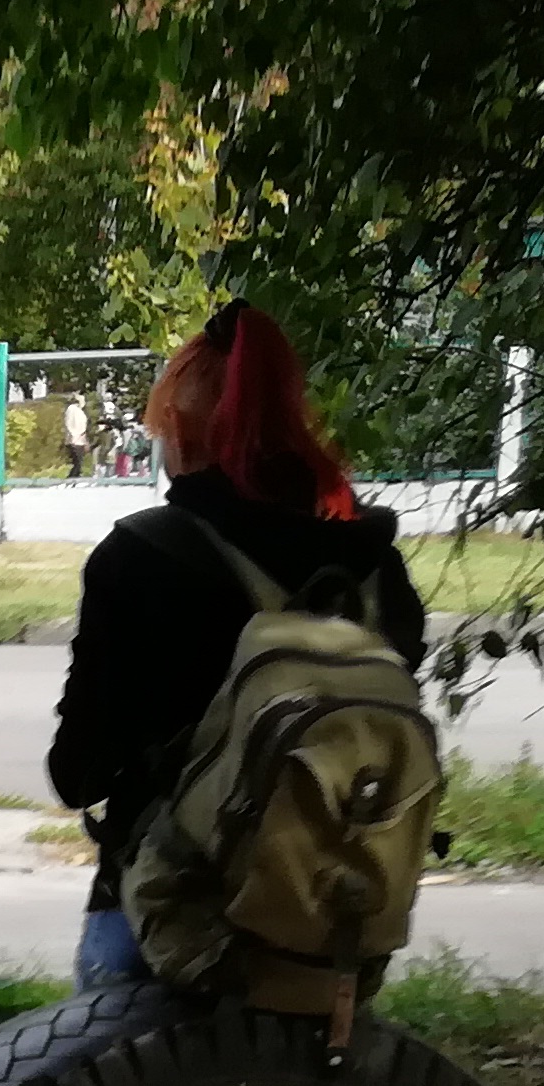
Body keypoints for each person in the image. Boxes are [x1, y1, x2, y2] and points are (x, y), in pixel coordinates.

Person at [45, 303, 426, 983]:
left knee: (109, 1053)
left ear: (181, 429)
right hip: (324, 927)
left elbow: (78, 777)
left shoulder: (142, 557)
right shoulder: (375, 571)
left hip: (165, 917)